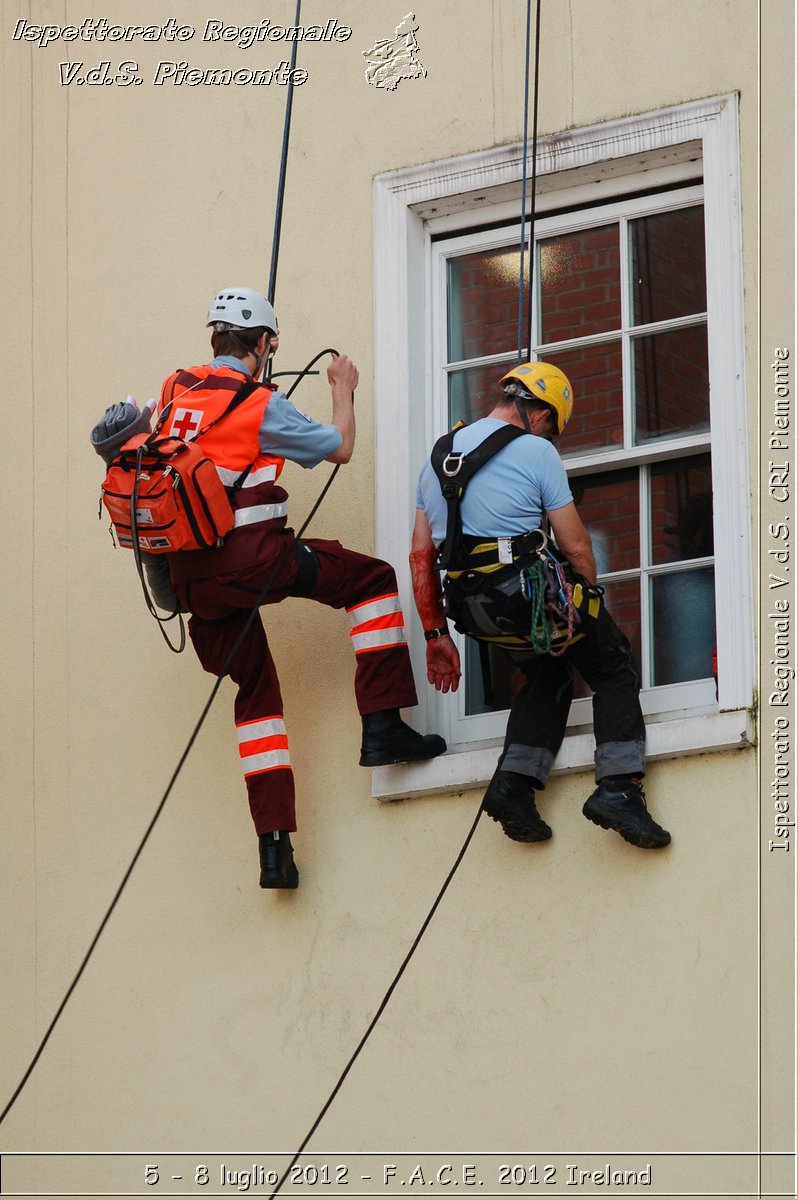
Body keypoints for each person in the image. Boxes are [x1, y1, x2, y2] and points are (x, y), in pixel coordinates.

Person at [92, 287, 445, 889]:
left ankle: (274, 849)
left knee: (257, 696)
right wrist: (342, 388)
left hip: (190, 586)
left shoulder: (175, 389)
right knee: (371, 581)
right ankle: (384, 728)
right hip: (256, 563)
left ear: (213, 339)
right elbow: (342, 447)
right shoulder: (257, 403)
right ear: (262, 344)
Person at [410, 361, 670, 850]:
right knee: (611, 663)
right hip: (524, 594)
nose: (551, 436)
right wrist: (589, 601)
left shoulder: (436, 458)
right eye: (552, 426)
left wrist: (435, 635)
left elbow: (420, 556)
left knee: (547, 674)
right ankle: (619, 788)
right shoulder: (534, 452)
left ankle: (513, 784)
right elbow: (574, 546)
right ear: (539, 410)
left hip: (470, 609)